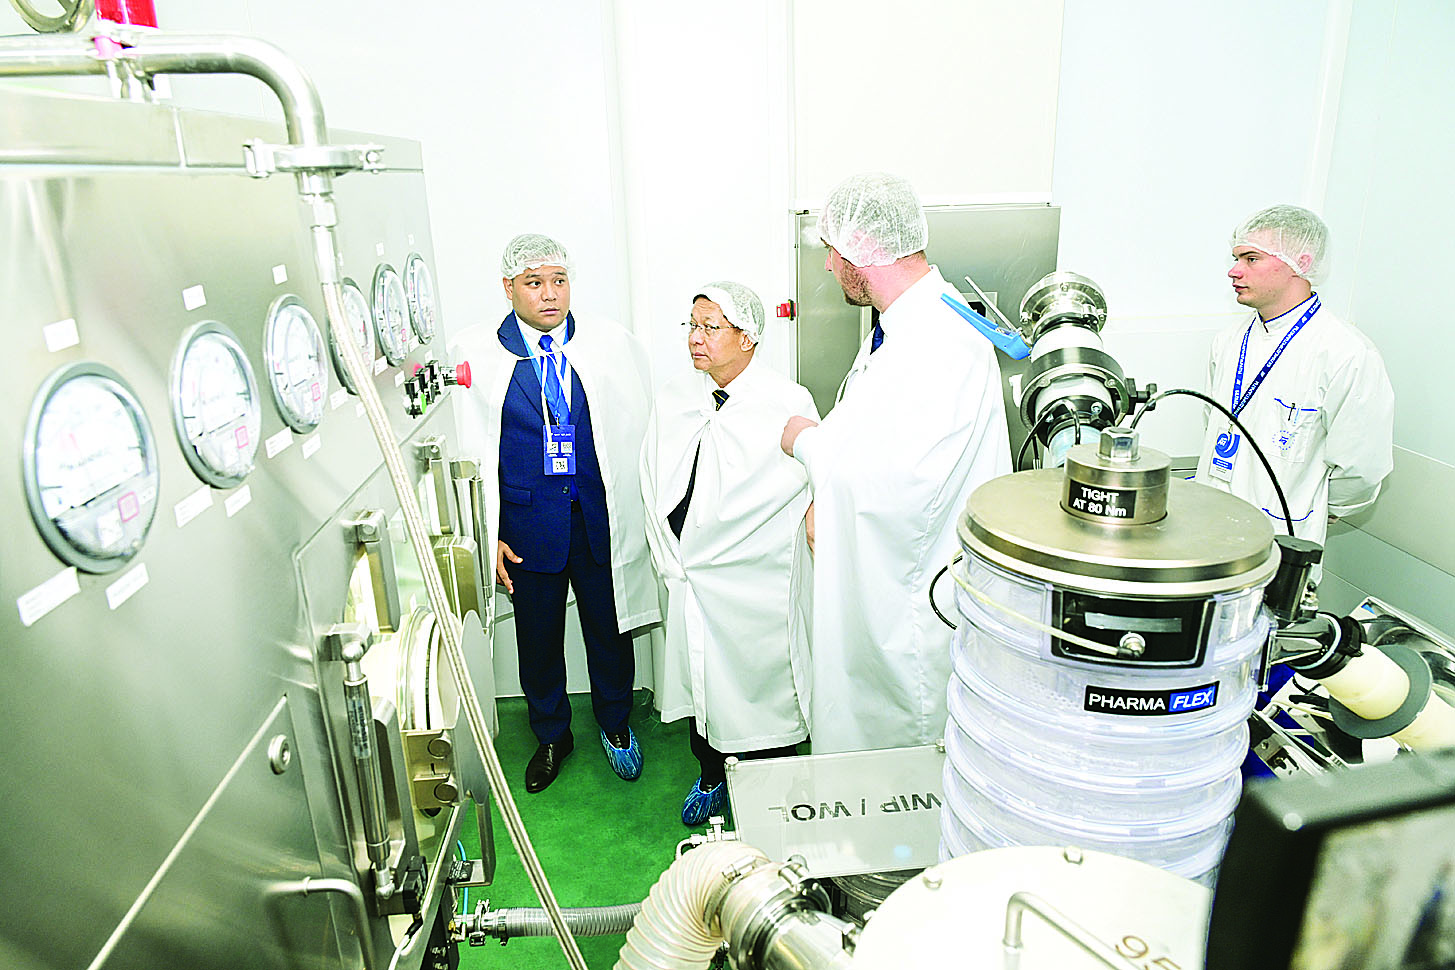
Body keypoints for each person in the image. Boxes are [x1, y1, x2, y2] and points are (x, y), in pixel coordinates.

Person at [779, 172, 1012, 754]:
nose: (828, 265)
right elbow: (879, 435)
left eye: (832, 249)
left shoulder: (939, 341)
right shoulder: (906, 325)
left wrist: (807, 442)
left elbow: (903, 482)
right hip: (894, 590)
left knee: (900, 759)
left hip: (911, 607)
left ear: (863, 247)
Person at [453, 233, 659, 793]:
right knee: (538, 641)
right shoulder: (477, 354)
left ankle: (615, 724)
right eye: (534, 283)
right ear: (508, 287)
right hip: (526, 530)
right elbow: (468, 450)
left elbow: (636, 431)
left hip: (597, 520)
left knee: (609, 631)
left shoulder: (608, 345)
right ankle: (551, 735)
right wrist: (488, 533)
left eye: (559, 281)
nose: (550, 294)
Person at [640, 281, 818, 824]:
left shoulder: (787, 400)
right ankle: (712, 774)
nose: (696, 338)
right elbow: (652, 474)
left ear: (748, 337)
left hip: (756, 578)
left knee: (763, 681)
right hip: (692, 572)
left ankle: (777, 787)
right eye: (692, 326)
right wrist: (671, 553)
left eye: (710, 327)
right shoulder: (677, 396)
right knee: (704, 679)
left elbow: (812, 480)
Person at [1195, 205, 1394, 549]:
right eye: (1236, 258)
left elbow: (1360, 469)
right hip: (1209, 527)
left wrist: (1314, 508)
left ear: (1300, 263)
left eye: (1251, 259)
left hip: (1282, 541)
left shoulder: (1346, 353)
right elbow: (1211, 421)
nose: (1234, 271)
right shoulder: (1228, 341)